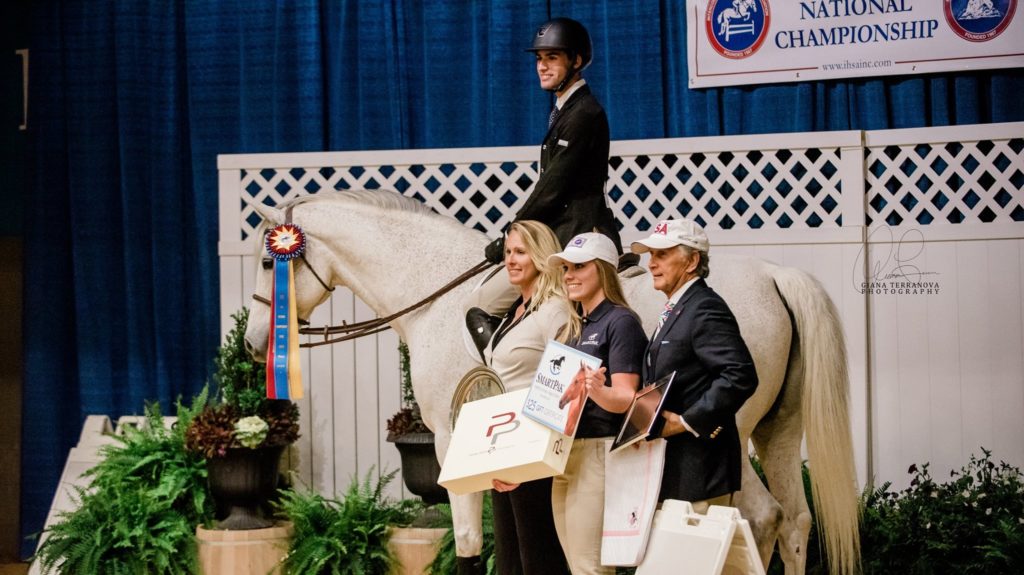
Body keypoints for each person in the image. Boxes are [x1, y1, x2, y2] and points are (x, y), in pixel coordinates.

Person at [467, 17, 628, 355]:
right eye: (539, 59)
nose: (542, 66)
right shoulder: (565, 109)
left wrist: (512, 234)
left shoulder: (584, 113)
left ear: (577, 61)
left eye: (552, 57)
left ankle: (512, 371)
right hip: (559, 229)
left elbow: (553, 187)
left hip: (577, 232)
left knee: (483, 302)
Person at [629, 219, 758, 512]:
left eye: (662, 254)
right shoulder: (682, 306)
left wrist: (686, 421)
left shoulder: (705, 307)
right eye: (650, 255)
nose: (651, 264)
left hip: (700, 472)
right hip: (678, 471)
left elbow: (740, 374)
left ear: (692, 261)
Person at [546, 232, 647, 575]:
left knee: (591, 568)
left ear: (602, 270)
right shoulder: (574, 326)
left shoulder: (621, 321)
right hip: (566, 454)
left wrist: (597, 390)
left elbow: (626, 398)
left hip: (598, 454)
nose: (569, 275)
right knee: (578, 566)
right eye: (565, 269)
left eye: (578, 266)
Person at [485, 220, 571, 575]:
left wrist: (533, 460)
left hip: (533, 450)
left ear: (541, 255)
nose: (510, 260)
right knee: (510, 559)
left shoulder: (554, 310)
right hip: (504, 448)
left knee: (539, 557)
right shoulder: (513, 312)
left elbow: (563, 385)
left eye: (520, 251)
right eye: (507, 252)